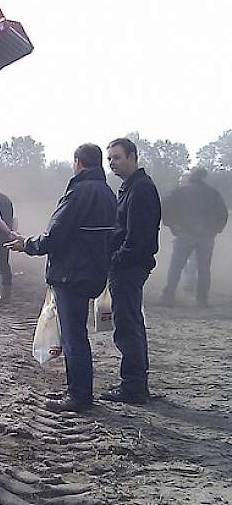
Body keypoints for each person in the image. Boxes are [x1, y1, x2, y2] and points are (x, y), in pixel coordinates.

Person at [6, 144, 117, 412]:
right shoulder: (107, 193)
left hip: (71, 273)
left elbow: (55, 235)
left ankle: (79, 396)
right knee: (77, 334)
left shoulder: (77, 192)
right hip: (93, 272)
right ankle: (77, 389)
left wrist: (27, 244)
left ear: (77, 162)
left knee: (73, 336)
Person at [104, 137, 161, 404]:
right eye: (109, 159)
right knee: (131, 324)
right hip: (128, 265)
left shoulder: (141, 189)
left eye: (116, 157)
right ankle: (136, 384)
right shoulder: (130, 187)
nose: (112, 163)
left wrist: (117, 259)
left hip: (129, 267)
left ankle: (133, 387)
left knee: (127, 327)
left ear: (132, 156)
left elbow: (139, 236)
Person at [160, 167, 227, 307]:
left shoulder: (179, 192)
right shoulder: (213, 193)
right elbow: (223, 213)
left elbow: (165, 206)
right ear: (203, 177)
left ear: (192, 177)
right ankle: (202, 299)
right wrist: (215, 230)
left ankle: (169, 296)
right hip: (206, 236)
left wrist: (173, 225)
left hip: (185, 233)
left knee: (176, 266)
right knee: (203, 268)